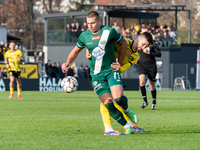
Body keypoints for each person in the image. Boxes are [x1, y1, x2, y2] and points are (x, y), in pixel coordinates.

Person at [62, 11, 141, 135]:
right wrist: (67, 62)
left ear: (99, 21)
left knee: (119, 98)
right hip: (96, 75)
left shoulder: (109, 31)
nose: (90, 26)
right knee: (108, 103)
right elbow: (76, 50)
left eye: (93, 23)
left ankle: (126, 109)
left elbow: (123, 43)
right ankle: (126, 126)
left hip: (110, 71)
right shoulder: (84, 36)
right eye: (88, 23)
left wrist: (119, 62)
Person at [86, 34, 153, 133]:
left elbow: (123, 68)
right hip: (96, 71)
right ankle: (109, 128)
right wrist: (88, 51)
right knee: (105, 100)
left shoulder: (136, 56)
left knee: (116, 100)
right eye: (143, 44)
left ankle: (129, 125)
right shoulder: (122, 41)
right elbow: (99, 43)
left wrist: (118, 67)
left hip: (111, 73)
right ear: (138, 38)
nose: (143, 48)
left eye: (146, 47)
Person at [138, 31, 162, 110]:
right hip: (142, 65)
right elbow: (135, 52)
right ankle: (145, 101)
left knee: (152, 85)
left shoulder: (153, 43)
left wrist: (150, 52)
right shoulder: (139, 43)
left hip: (151, 66)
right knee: (141, 81)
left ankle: (154, 102)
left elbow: (159, 54)